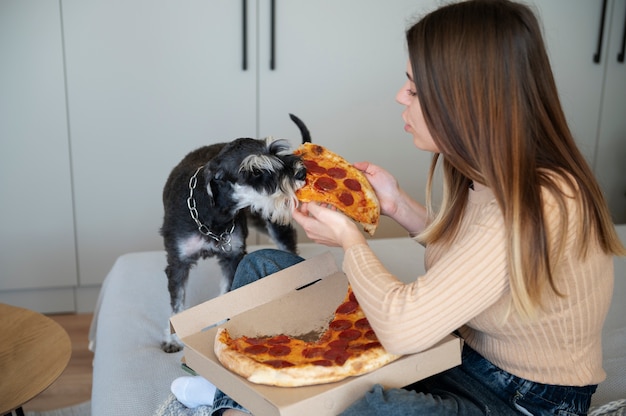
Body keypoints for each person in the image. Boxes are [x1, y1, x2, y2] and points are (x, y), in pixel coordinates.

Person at [175, 0, 626, 414]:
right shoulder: (486, 172)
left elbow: (405, 329)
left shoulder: (540, 203)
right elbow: (476, 262)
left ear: (464, 101)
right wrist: (397, 206)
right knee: (262, 268)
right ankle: (238, 396)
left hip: (528, 399)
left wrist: (350, 239)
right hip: (453, 349)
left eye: (413, 89)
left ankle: (232, 401)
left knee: (379, 409)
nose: (399, 97)